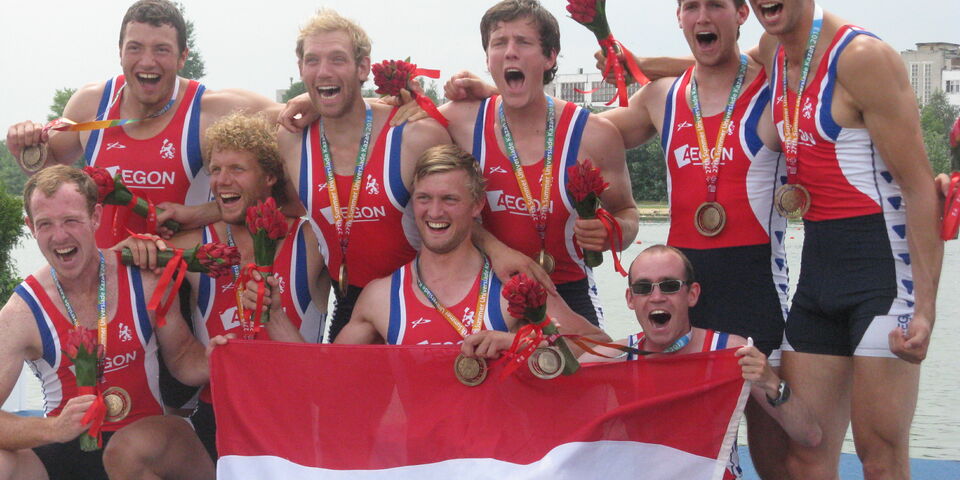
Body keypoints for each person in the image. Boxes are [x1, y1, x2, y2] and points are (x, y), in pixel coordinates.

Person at [742, 2, 944, 478]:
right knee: (806, 451)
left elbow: (918, 188)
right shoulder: (774, 49)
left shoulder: (862, 58)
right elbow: (717, 66)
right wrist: (633, 61)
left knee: (879, 458)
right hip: (818, 276)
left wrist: (927, 312)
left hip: (883, 276)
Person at [464, 244, 822, 479]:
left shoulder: (731, 352)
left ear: (691, 294)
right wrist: (510, 342)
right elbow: (559, 365)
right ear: (630, 300)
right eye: (643, 288)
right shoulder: (619, 356)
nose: (656, 297)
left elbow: (810, 435)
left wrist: (771, 383)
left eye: (669, 286)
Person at [116, 112, 329, 461]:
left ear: (272, 176)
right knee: (133, 454)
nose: (221, 180)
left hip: (297, 420)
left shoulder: (309, 240)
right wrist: (139, 246)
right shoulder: (194, 242)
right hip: (219, 417)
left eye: (237, 169)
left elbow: (337, 205)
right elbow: (116, 258)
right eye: (215, 170)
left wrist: (203, 211)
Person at [249, 144, 607, 347]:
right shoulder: (381, 297)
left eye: (450, 199)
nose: (435, 212)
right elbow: (326, 375)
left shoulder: (516, 284)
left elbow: (601, 348)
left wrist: (518, 346)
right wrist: (275, 316)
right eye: (424, 198)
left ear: (477, 205)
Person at [5, 0, 290, 248]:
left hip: (182, 289)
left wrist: (202, 212)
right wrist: (26, 149)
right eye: (135, 48)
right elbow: (50, 171)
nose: (147, 62)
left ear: (182, 57)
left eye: (161, 50)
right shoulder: (92, 104)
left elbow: (301, 115)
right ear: (120, 52)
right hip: (108, 286)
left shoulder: (209, 109)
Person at [0, 165, 216, 480]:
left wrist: (230, 354)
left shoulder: (141, 277)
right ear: (31, 227)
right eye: (46, 224)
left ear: (96, 217)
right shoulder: (21, 313)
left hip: (150, 441)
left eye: (71, 220)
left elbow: (184, 359)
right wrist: (54, 427)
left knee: (127, 450)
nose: (60, 236)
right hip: (69, 449)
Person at [440, 0, 639, 328]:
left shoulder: (595, 135)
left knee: (596, 371)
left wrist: (612, 232)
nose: (510, 52)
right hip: (484, 291)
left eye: (524, 42)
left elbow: (627, 214)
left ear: (550, 57)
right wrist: (496, 249)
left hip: (567, 289)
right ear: (488, 59)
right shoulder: (458, 122)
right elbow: (434, 212)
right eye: (499, 43)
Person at [278, 8, 452, 342]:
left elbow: (468, 216)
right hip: (347, 302)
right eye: (312, 61)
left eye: (337, 60)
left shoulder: (414, 134)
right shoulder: (290, 137)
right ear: (301, 69)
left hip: (418, 306)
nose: (323, 71)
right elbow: (254, 189)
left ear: (362, 68)